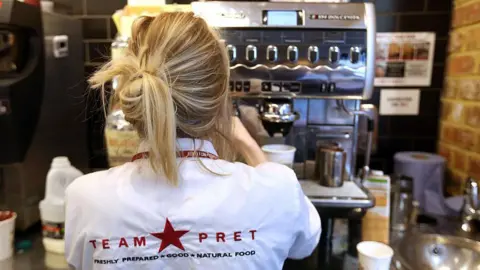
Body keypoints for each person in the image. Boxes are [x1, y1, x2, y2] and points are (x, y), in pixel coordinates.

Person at [65, 12, 321, 270]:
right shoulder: (276, 190)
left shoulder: (86, 198)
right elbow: (304, 245)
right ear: (221, 98)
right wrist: (249, 147)